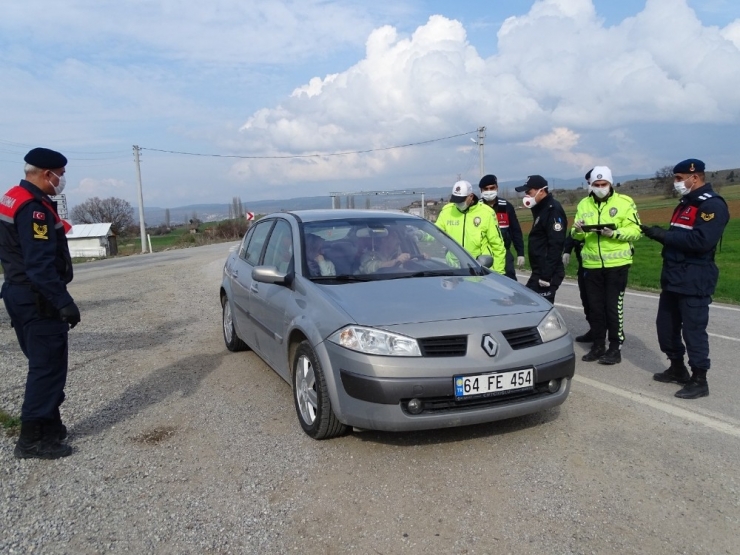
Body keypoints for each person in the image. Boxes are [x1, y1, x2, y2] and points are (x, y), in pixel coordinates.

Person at [0, 147, 79, 459]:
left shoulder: (12, 197)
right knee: (46, 367)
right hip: (38, 298)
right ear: (48, 174)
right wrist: (64, 302)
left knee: (42, 362)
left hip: (19, 293)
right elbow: (39, 264)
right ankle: (32, 439)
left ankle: (49, 427)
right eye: (60, 175)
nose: (62, 180)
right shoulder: (34, 209)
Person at [641, 158, 729, 399]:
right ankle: (677, 367)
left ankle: (700, 379)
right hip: (673, 276)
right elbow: (679, 235)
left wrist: (662, 236)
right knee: (666, 326)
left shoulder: (712, 205)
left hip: (695, 277)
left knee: (693, 330)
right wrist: (661, 233)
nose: (676, 183)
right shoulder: (684, 204)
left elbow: (702, 242)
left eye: (679, 179)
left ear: (695, 177)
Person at [571, 166, 642, 365]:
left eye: (604, 184)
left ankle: (614, 347)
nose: (600, 187)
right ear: (591, 185)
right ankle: (598, 345)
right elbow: (577, 234)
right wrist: (576, 231)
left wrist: (615, 233)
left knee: (612, 307)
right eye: (596, 184)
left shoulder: (625, 202)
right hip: (591, 264)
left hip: (617, 264)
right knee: (595, 308)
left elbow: (636, 230)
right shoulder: (584, 204)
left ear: (610, 184)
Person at [435, 180, 507, 275]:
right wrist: (419, 234)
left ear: (471, 196)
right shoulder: (447, 211)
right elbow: (435, 232)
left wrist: (499, 273)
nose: (458, 203)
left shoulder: (486, 213)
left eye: (461, 200)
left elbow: (497, 245)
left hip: (479, 268)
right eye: (456, 200)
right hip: (454, 269)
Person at [514, 175, 567, 303]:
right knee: (530, 305)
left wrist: (546, 276)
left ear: (541, 191)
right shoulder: (540, 208)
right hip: (539, 270)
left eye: (529, 192)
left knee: (538, 309)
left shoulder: (552, 210)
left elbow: (556, 244)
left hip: (547, 272)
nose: (526, 195)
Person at [564, 168, 594, 342]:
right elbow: (575, 228)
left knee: (601, 302)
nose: (592, 187)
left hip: (603, 262)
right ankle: (594, 328)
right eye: (590, 184)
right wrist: (567, 249)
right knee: (587, 298)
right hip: (584, 259)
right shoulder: (584, 204)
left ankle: (605, 335)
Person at [478, 174, 525, 280]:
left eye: (492, 188)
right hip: (482, 254)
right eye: (486, 189)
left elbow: (515, 231)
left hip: (504, 253)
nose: (489, 191)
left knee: (510, 284)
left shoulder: (506, 207)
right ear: (481, 190)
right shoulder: (477, 208)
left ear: (497, 188)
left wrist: (520, 253)